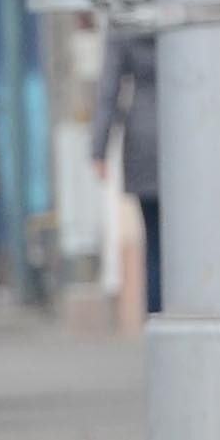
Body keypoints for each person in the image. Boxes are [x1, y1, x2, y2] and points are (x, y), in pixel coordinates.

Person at [87, 24, 159, 318]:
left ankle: (157, 318)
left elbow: (109, 91)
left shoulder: (125, 20)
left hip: (142, 137)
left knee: (154, 239)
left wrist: (99, 149)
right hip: (190, 130)